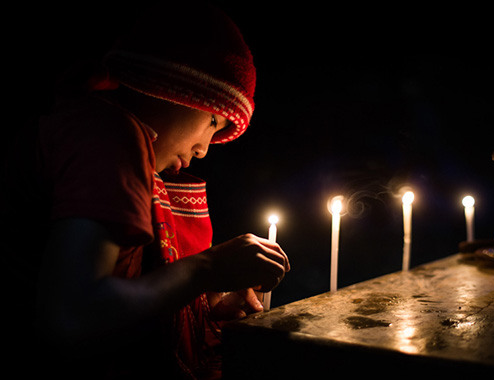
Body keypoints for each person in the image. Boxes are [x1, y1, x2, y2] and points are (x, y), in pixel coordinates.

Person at [3, 1, 289, 379]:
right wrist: (207, 268)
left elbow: (116, 303)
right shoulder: (108, 136)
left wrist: (199, 307)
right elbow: (71, 319)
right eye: (214, 121)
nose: (204, 148)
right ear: (177, 88)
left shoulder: (80, 126)